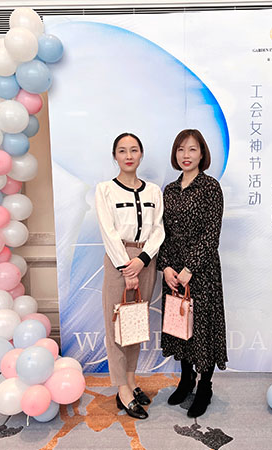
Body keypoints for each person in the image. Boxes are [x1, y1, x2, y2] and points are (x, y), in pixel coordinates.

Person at [157, 129, 228, 418]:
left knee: (203, 330)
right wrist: (166, 268)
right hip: (174, 273)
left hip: (203, 272)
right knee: (180, 327)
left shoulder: (210, 188)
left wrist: (189, 269)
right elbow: (163, 233)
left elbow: (212, 236)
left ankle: (204, 387)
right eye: (181, 150)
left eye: (192, 149)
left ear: (202, 154)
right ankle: (185, 381)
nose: (186, 155)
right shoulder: (170, 190)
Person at [95, 132, 165, 420]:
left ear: (141, 154)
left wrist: (143, 260)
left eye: (133, 150)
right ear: (115, 156)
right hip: (118, 259)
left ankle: (132, 379)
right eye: (122, 150)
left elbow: (158, 229)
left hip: (146, 259)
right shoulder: (105, 190)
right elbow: (108, 232)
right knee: (116, 328)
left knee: (135, 324)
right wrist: (127, 267)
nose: (128, 155)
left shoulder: (154, 191)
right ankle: (122, 389)